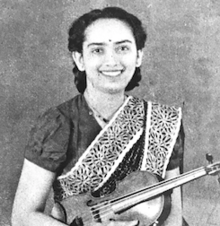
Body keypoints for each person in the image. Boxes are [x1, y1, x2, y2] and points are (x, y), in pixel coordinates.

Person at [12, 6, 187, 226]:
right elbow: (23, 217)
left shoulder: (163, 121)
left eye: (123, 48)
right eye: (97, 50)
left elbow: (173, 216)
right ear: (79, 59)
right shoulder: (58, 124)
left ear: (139, 55)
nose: (111, 61)